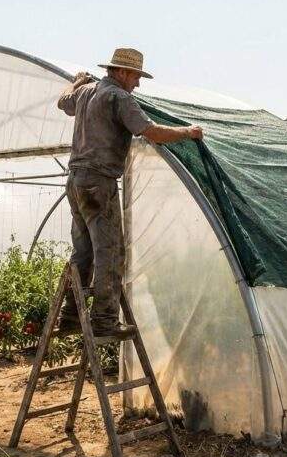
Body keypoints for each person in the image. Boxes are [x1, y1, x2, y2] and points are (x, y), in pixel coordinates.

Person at [55, 47, 203, 339]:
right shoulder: (118, 98)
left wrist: (76, 82)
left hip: (75, 181)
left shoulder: (86, 92)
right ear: (121, 72)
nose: (137, 83)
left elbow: (63, 103)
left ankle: (70, 316)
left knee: (82, 252)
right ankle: (104, 320)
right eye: (135, 76)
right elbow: (151, 132)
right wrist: (188, 132)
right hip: (99, 182)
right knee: (109, 252)